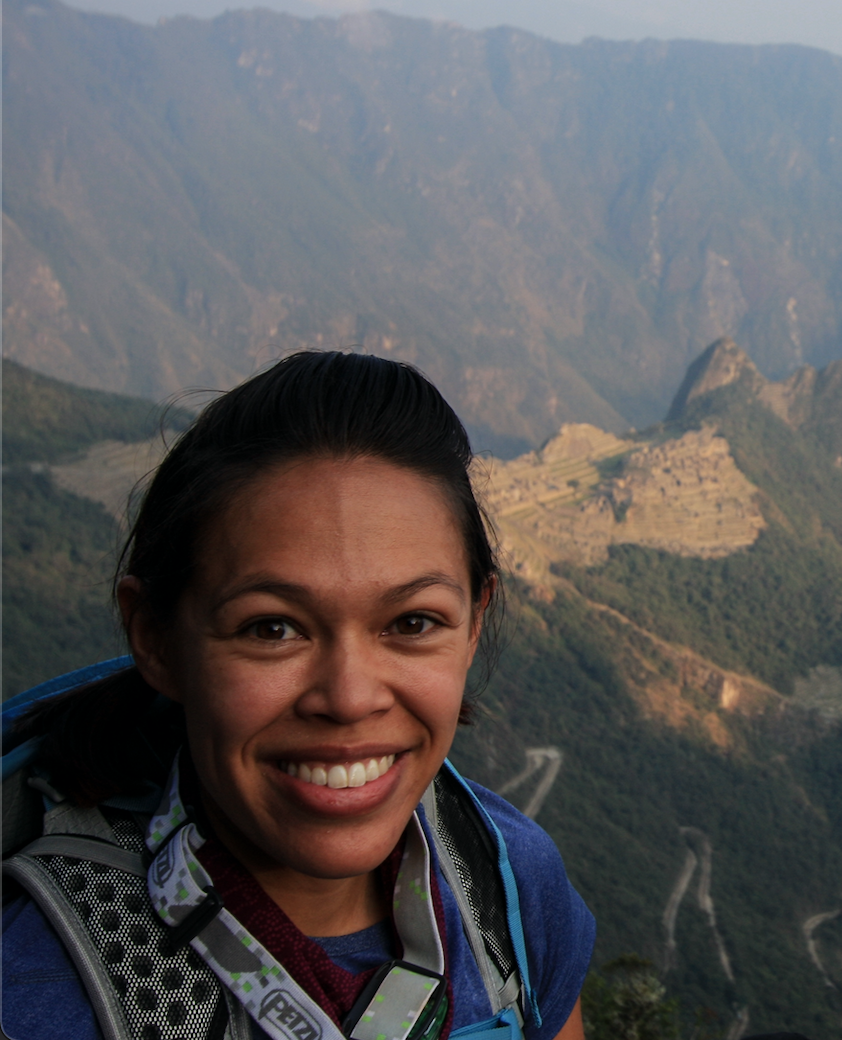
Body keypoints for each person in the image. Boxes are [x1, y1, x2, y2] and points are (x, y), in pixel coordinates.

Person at [2, 351, 595, 1040]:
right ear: (156, 639)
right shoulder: (42, 999)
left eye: (412, 623)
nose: (348, 698)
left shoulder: (509, 888)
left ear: (473, 624)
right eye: (272, 628)